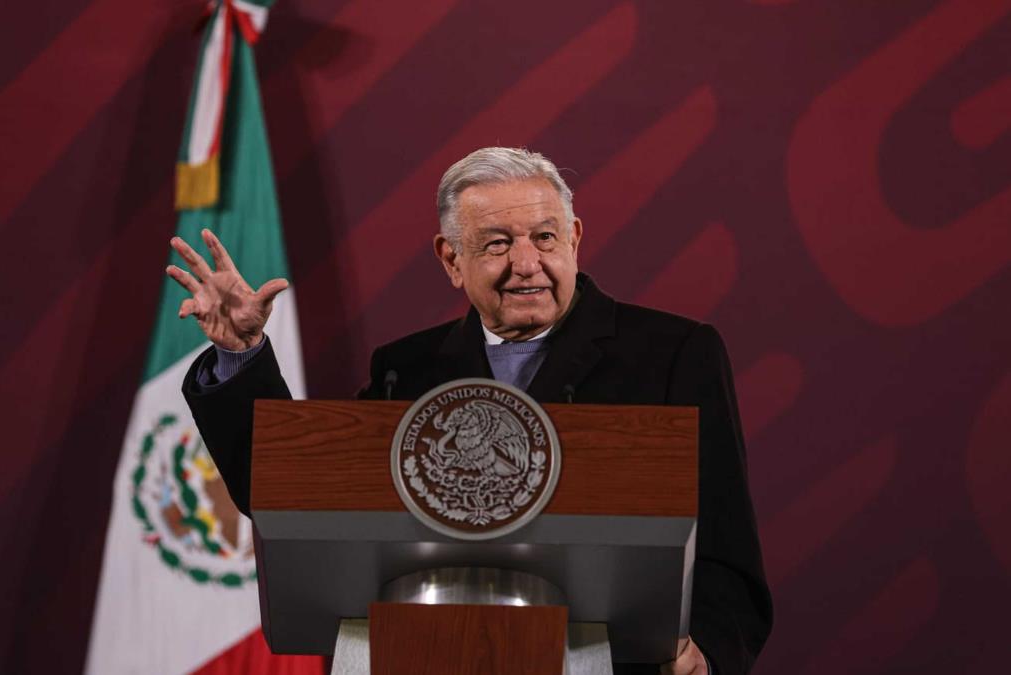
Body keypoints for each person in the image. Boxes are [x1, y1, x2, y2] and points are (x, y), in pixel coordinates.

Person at [168, 147, 772, 674]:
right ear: (452, 260)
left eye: (545, 237)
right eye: (497, 245)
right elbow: (286, 493)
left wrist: (709, 657)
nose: (527, 263)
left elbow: (725, 542)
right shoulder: (408, 369)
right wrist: (241, 354)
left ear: (575, 239)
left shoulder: (673, 353)